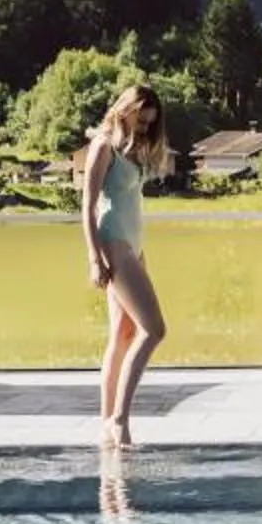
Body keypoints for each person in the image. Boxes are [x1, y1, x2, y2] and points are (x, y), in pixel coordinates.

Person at [80, 85, 169, 431]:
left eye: (149, 124)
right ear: (126, 108)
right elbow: (87, 207)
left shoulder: (130, 148)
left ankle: (106, 423)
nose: (144, 127)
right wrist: (94, 258)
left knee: (122, 334)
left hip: (134, 244)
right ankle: (120, 419)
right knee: (154, 330)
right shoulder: (103, 146)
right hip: (114, 241)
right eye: (141, 119)